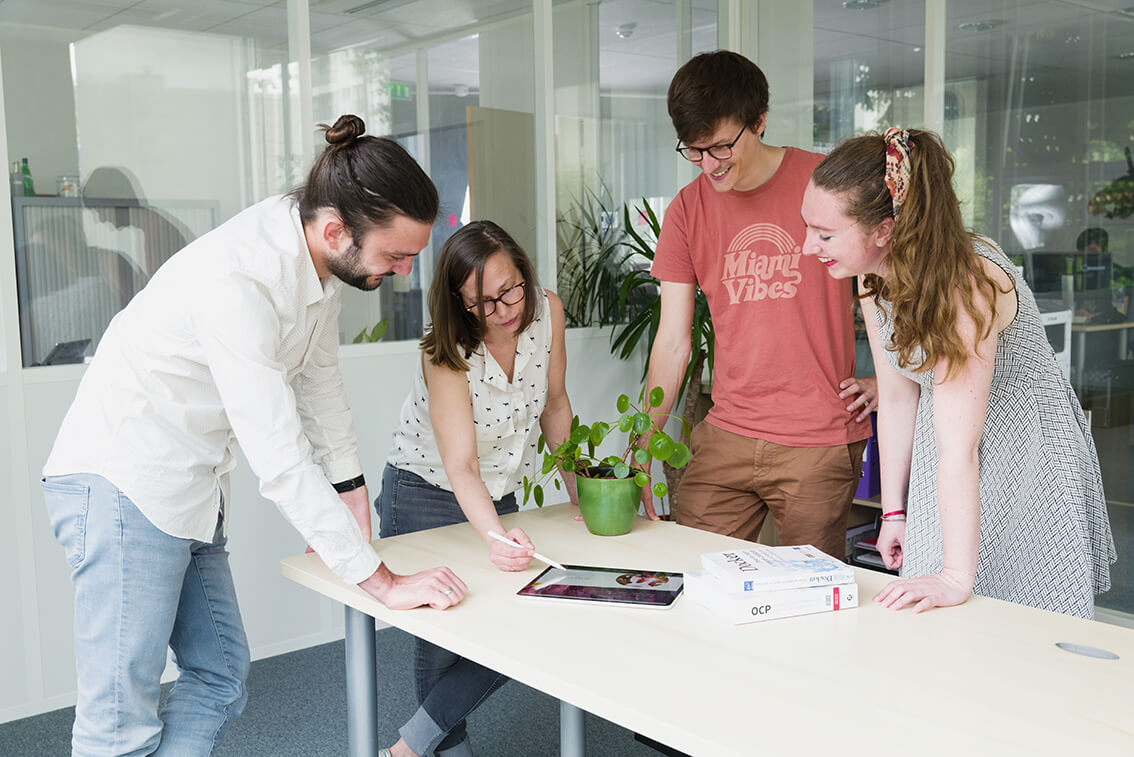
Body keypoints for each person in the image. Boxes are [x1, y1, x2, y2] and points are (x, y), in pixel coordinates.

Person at [42, 114, 468, 757]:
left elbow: (319, 381)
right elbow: (280, 458)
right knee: (118, 725)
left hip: (190, 488)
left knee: (219, 677)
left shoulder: (314, 258)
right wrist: (379, 581)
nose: (405, 272)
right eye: (395, 256)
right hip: (125, 484)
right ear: (337, 231)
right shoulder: (238, 281)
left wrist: (351, 490)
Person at [802, 127, 1116, 617]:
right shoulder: (872, 276)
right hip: (948, 450)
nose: (808, 247)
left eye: (824, 234)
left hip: (1022, 451)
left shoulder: (964, 282)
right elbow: (899, 397)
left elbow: (960, 448)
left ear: (883, 230)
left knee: (1012, 614)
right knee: (934, 611)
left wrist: (954, 576)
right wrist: (895, 512)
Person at [643, 50, 877, 559]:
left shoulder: (824, 185)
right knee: (696, 575)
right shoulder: (686, 211)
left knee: (809, 593)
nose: (709, 165)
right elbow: (672, 342)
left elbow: (888, 288)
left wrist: (890, 380)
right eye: (694, 151)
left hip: (817, 438)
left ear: (759, 121)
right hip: (727, 431)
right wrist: (643, 442)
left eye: (721, 146)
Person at [375, 220, 576, 757]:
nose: (504, 310)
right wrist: (495, 537)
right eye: (483, 303)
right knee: (443, 637)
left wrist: (581, 492)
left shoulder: (547, 313)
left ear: (523, 271)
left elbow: (556, 405)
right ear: (460, 303)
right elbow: (460, 465)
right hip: (425, 490)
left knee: (516, 623)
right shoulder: (445, 349)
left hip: (497, 491)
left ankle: (406, 750)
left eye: (510, 290)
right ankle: (439, 751)